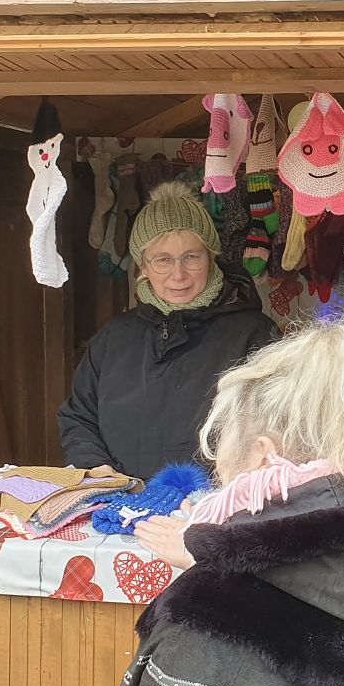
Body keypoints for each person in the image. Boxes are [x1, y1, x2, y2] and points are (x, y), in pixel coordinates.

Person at [120, 309, 344, 686]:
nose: (216, 465)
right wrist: (223, 561)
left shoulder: (204, 616)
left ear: (264, 456)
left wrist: (218, 574)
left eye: (222, 438)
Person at [58, 180, 279, 479]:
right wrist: (96, 466)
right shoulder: (113, 339)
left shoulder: (255, 336)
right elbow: (78, 415)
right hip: (123, 498)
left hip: (215, 502)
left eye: (191, 257)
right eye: (163, 260)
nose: (178, 274)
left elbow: (277, 426)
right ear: (143, 266)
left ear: (211, 257)